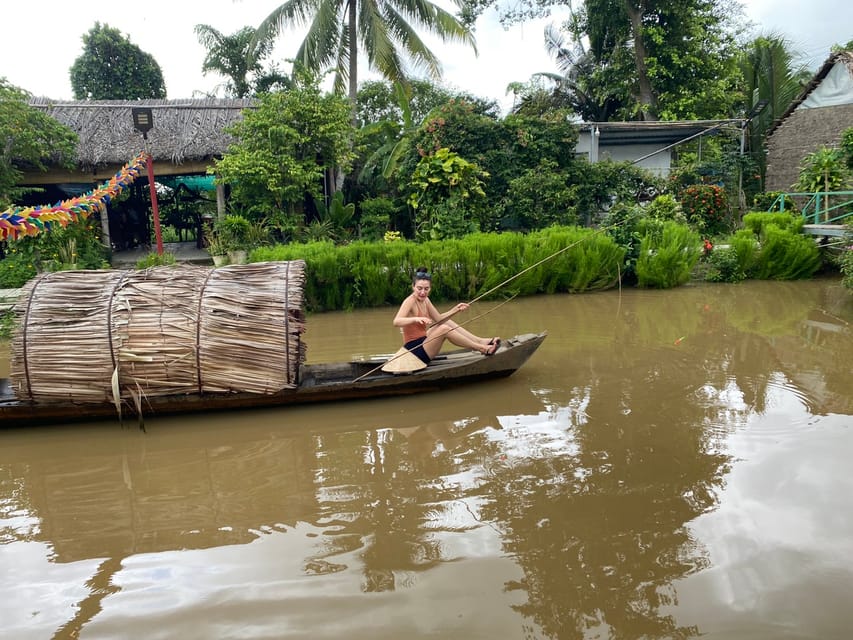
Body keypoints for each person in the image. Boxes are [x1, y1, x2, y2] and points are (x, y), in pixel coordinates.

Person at [393, 267, 500, 365]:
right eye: (419, 288)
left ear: (430, 288)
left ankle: (480, 341)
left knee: (445, 323)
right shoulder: (410, 301)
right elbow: (396, 322)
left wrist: (456, 309)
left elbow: (439, 319)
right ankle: (481, 348)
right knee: (444, 329)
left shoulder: (426, 300)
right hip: (415, 351)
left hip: (424, 341)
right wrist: (416, 319)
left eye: (426, 289)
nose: (422, 292)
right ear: (413, 287)